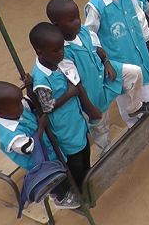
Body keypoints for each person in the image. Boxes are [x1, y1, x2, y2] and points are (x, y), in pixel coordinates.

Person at [47, 0, 148, 152]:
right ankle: (105, 151)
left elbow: (98, 48)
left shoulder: (85, 32)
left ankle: (133, 107)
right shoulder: (62, 52)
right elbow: (76, 84)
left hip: (103, 74)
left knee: (134, 73)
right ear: (57, 25)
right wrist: (90, 108)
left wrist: (107, 62)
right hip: (91, 92)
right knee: (101, 126)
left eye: (77, 17)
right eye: (71, 20)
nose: (78, 22)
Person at [0, 80, 79, 209]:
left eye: (20, 100)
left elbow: (30, 102)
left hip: (49, 150)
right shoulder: (11, 136)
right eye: (17, 104)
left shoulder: (15, 108)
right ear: (1, 112)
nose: (21, 105)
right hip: (39, 163)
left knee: (63, 169)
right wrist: (41, 126)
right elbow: (30, 148)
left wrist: (29, 88)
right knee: (53, 180)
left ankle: (69, 186)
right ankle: (61, 199)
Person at [29, 23, 99, 198]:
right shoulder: (42, 79)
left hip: (75, 120)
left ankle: (87, 179)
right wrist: (69, 94)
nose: (61, 53)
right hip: (64, 127)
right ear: (40, 52)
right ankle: (80, 191)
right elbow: (47, 107)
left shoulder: (57, 62)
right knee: (75, 161)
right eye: (56, 50)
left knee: (85, 151)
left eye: (61, 48)